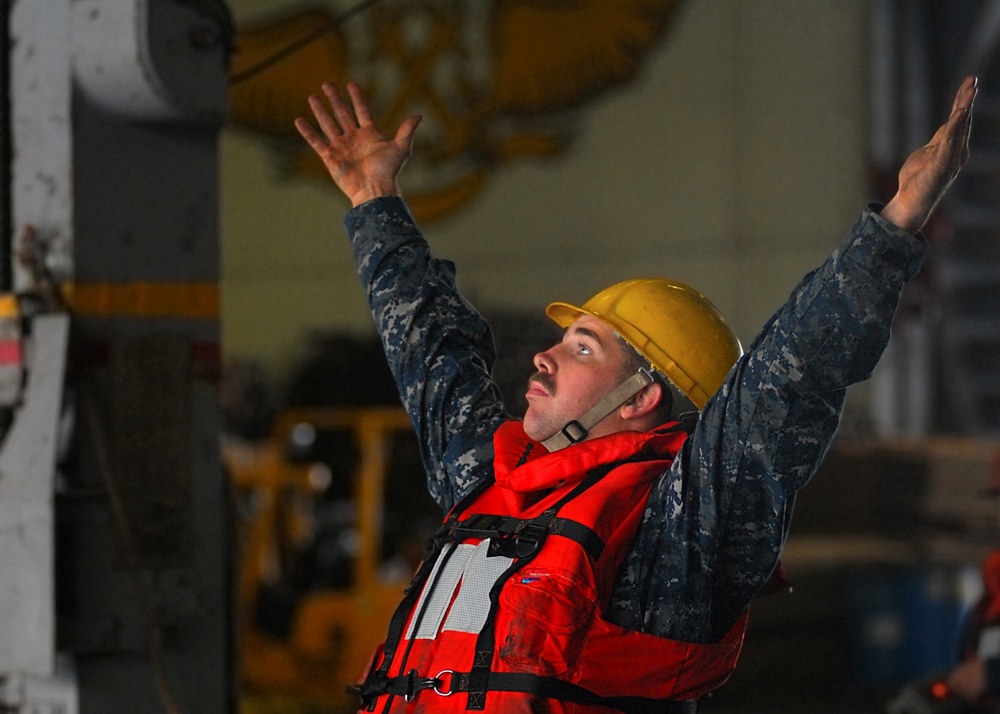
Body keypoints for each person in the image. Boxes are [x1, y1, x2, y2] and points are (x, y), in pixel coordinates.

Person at [294, 76, 978, 713]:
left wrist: (892, 226)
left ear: (640, 399)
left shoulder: (671, 537)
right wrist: (374, 201)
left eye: (583, 347)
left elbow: (784, 388)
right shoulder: (492, 488)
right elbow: (430, 352)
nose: (544, 353)